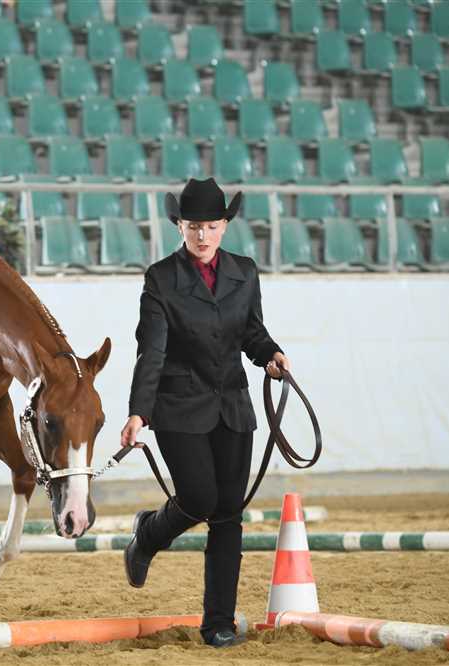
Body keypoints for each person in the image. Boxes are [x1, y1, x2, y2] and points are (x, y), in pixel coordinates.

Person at [119, 178, 290, 648]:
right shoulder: (160, 278)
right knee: (198, 498)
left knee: (228, 514)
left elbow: (251, 332)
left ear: (224, 226)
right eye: (194, 226)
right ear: (179, 226)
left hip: (232, 406)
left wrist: (270, 354)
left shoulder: (245, 272)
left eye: (211, 226)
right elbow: (151, 351)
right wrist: (139, 412)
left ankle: (218, 623)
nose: (202, 235)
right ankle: (148, 535)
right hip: (178, 407)